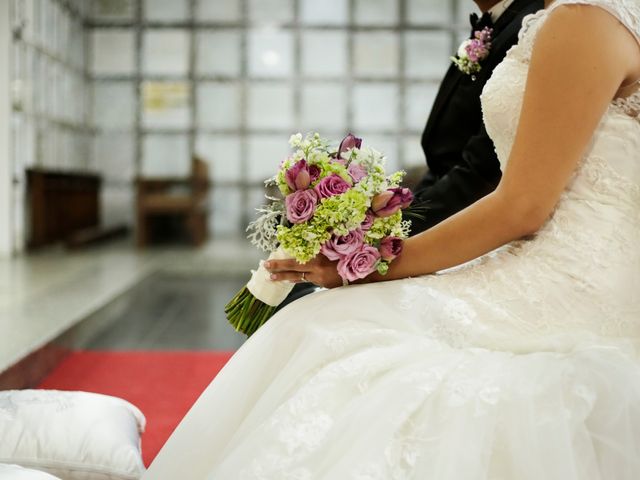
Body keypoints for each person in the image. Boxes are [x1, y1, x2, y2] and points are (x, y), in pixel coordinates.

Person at [144, 0, 640, 477]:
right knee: (321, 322)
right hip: (545, 255)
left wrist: (367, 263)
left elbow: (523, 206)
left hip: (572, 277)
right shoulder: (571, 16)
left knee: (332, 332)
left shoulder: (583, 17)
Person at [278, 0, 543, 307]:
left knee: (318, 309)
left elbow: (481, 174)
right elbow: (446, 160)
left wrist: (378, 247)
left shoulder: (531, 25)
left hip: (479, 233)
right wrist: (373, 223)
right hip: (449, 210)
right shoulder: (498, 23)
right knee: (300, 298)